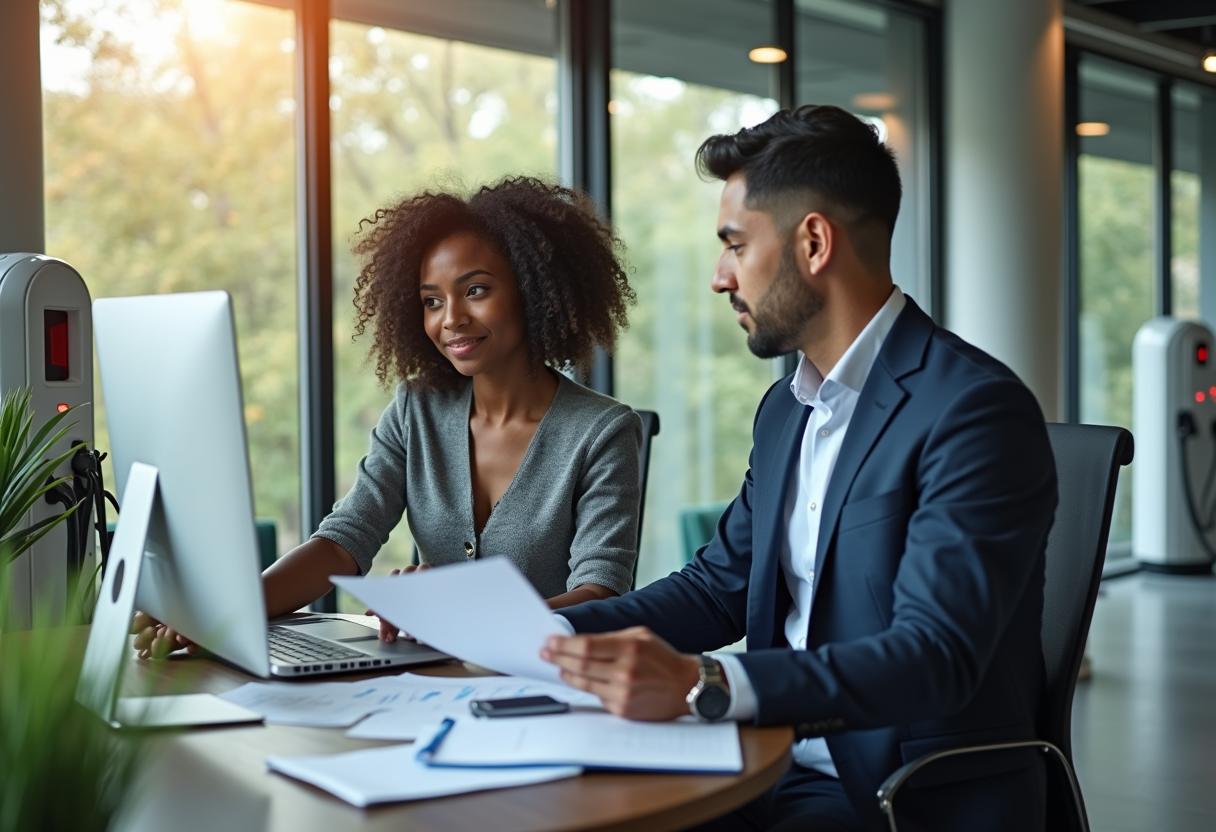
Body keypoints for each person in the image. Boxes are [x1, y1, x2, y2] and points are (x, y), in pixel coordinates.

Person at [541, 106, 1058, 832]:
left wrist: (705, 681)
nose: (721, 277)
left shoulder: (974, 410)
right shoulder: (787, 409)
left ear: (813, 242)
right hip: (760, 763)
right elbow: (716, 588)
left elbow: (933, 655)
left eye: (734, 244)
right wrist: (537, 632)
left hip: (896, 795)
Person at [133, 176, 642, 657]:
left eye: (477, 290)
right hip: (432, 681)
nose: (451, 319)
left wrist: (460, 612)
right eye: (431, 301)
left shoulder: (603, 431)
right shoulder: (417, 409)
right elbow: (343, 542)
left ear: (535, 291)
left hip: (550, 685)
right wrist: (224, 617)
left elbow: (601, 596)